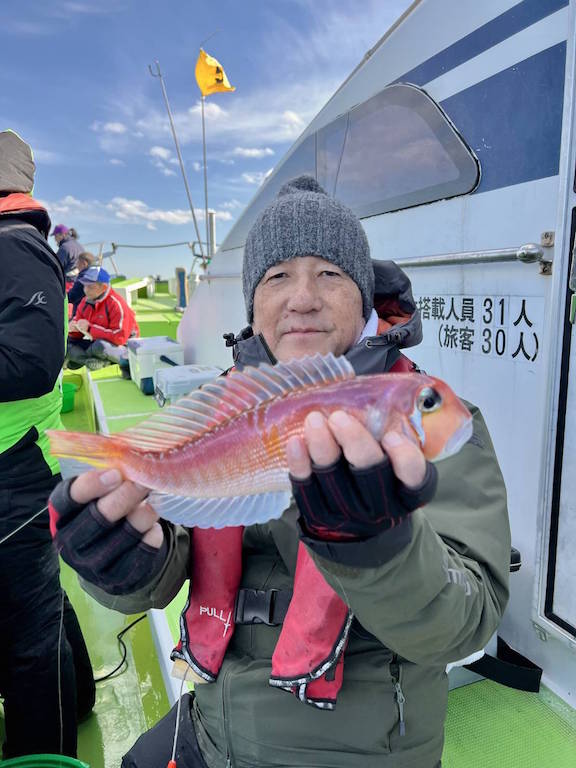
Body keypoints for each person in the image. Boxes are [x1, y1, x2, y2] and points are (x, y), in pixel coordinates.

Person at [49, 176, 511, 768]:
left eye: (330, 274)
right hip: (213, 728)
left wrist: (380, 550)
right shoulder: (221, 409)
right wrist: (122, 562)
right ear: (253, 303)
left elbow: (466, 622)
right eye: (277, 276)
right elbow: (163, 577)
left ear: (365, 298)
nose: (302, 298)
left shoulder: (442, 430)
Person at [0, 129, 95, 759]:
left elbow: (31, 361)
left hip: (14, 471)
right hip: (18, 468)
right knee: (37, 606)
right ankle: (82, 696)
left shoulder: (13, 246)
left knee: (28, 639)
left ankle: (44, 754)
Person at [67, 266, 139, 371]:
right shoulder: (85, 301)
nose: (86, 290)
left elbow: (120, 338)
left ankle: (86, 359)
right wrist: (73, 329)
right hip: (96, 341)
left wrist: (90, 329)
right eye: (85, 286)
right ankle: (93, 361)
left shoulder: (116, 304)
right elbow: (78, 332)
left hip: (123, 346)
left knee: (99, 346)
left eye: (91, 287)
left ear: (104, 287)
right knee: (66, 344)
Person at [67, 251, 95, 316]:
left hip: (82, 314)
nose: (76, 266)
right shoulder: (96, 277)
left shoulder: (83, 279)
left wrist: (59, 297)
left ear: (84, 264)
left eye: (78, 263)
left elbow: (72, 297)